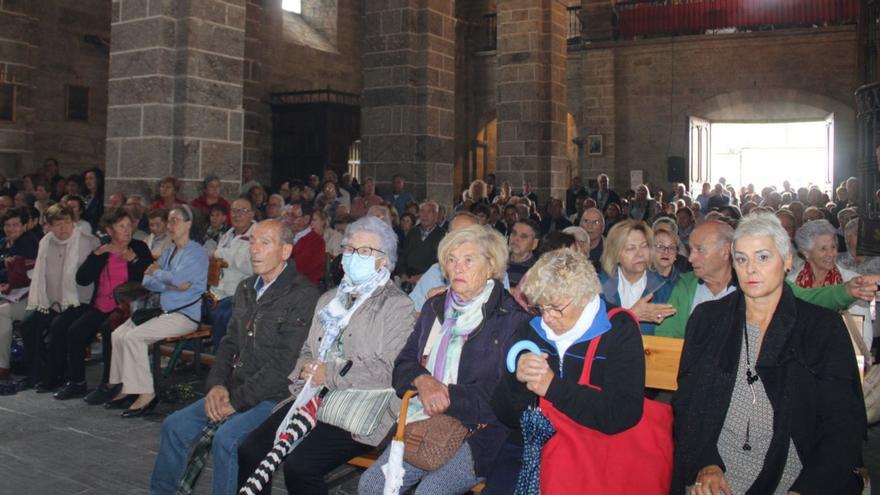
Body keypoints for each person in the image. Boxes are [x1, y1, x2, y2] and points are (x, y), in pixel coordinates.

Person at [672, 212, 866, 494]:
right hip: (716, 472)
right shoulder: (708, 319)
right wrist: (706, 462)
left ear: (786, 260)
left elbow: (842, 424)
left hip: (792, 473)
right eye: (741, 259)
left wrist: (805, 489)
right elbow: (688, 403)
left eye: (763, 257)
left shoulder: (821, 328)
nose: (751, 269)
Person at [238, 216, 415, 494]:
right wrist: (304, 370)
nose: (355, 257)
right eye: (350, 250)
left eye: (366, 251)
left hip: (362, 404)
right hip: (313, 396)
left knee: (301, 466)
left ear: (384, 260)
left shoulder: (397, 306)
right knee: (251, 450)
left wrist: (329, 374)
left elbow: (391, 369)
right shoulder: (330, 299)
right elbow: (308, 350)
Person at [150, 219, 320, 495]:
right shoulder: (246, 288)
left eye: (265, 243)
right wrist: (216, 385)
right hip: (235, 387)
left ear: (285, 251)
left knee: (227, 440)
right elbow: (229, 344)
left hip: (275, 396)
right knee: (174, 426)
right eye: (252, 241)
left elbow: (284, 364)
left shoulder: (302, 295)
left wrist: (236, 402)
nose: (254, 249)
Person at [359, 224, 528, 494]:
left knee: (431, 491)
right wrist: (424, 381)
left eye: (468, 260)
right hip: (423, 421)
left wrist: (447, 395)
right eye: (451, 260)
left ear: (491, 265)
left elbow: (507, 398)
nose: (458, 268)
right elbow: (403, 364)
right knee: (372, 486)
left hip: (481, 431)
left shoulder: (511, 319)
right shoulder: (434, 308)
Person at [487, 248, 646, 494]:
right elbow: (505, 415)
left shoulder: (618, 329)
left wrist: (553, 388)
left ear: (584, 296)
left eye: (556, 308)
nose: (547, 318)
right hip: (531, 448)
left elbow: (624, 413)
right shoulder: (531, 331)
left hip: (594, 450)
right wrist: (517, 382)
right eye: (541, 307)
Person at [656, 220, 880, 339]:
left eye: (699, 249)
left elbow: (809, 299)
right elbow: (668, 338)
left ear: (726, 251)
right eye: (691, 249)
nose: (690, 257)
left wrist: (847, 290)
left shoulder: (758, 284)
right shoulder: (685, 287)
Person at [106, 204, 208, 417]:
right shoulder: (169, 251)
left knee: (134, 337)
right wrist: (168, 280)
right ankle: (126, 385)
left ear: (188, 224)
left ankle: (146, 393)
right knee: (118, 334)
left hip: (184, 315)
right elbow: (148, 281)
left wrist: (162, 275)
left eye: (175, 221)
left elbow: (177, 280)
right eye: (169, 220)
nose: (170, 225)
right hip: (163, 311)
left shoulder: (197, 252)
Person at [55, 208, 152, 401]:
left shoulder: (139, 247)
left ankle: (109, 384)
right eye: (121, 226)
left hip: (126, 307)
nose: (127, 230)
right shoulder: (103, 250)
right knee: (75, 331)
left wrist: (133, 260)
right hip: (100, 305)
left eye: (129, 226)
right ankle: (77, 383)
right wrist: (98, 254)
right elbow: (81, 279)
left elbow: (150, 276)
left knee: (110, 330)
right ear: (109, 231)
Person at [19, 203, 99, 390]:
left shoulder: (88, 242)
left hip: (80, 302)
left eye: (67, 222)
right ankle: (35, 373)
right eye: (57, 224)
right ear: (49, 225)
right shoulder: (46, 242)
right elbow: (41, 274)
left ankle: (54, 377)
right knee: (29, 324)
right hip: (52, 302)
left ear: (73, 222)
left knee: (59, 326)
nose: (63, 228)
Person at [789, 219, 873, 352]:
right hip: (799, 359)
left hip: (840, 358)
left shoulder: (851, 280)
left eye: (833, 247)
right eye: (823, 249)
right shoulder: (792, 283)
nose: (831, 254)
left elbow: (864, 331)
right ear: (806, 253)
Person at [598, 220, 675, 335]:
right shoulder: (599, 286)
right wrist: (632, 315)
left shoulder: (664, 288)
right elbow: (592, 332)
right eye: (631, 248)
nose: (640, 254)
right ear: (616, 255)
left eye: (644, 246)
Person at [207, 198, 256, 350]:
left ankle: (221, 358)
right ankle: (194, 353)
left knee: (224, 315)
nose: (237, 215)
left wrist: (218, 253)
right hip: (216, 291)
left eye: (242, 211)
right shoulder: (228, 234)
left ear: (252, 214)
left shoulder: (257, 235)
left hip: (240, 293)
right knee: (187, 308)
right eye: (234, 211)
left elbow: (249, 265)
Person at [0, 208, 39, 390]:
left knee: (2, 314)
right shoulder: (7, 243)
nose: (11, 228)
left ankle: (3, 367)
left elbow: (18, 276)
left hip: (30, 298)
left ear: (25, 225)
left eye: (15, 225)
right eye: (7, 225)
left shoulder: (27, 244)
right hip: (14, 294)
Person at [399, 201, 445, 284]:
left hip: (430, 280)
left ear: (436, 216)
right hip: (408, 279)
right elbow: (403, 256)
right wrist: (403, 273)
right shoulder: (412, 232)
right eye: (422, 211)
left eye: (429, 212)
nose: (425, 215)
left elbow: (442, 264)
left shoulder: (443, 236)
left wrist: (422, 277)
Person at [282, 200, 325, 287]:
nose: (289, 220)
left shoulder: (316, 241)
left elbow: (300, 268)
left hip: (304, 288)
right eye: (288, 215)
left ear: (306, 219)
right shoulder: (283, 235)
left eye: (293, 216)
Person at [506, 219, 540, 286]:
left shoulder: (537, 270)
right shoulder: (498, 261)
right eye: (514, 233)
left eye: (523, 236)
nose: (516, 239)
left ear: (534, 243)